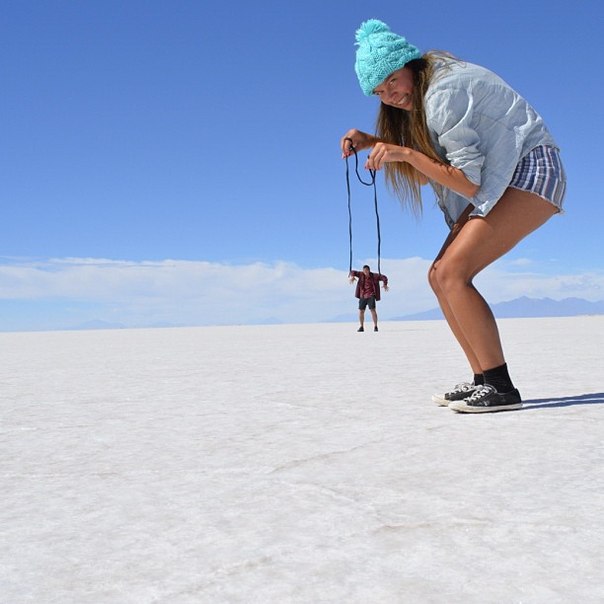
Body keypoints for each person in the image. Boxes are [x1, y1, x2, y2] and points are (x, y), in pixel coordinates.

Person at [340, 19, 566, 413]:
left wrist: (405, 152)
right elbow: (437, 164)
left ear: (408, 64)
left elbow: (467, 184)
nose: (389, 95)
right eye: (379, 92)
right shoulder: (429, 96)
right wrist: (374, 143)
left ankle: (500, 386)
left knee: (451, 273)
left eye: (392, 81)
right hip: (505, 177)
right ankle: (484, 379)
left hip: (531, 171)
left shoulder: (444, 91)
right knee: (438, 275)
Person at [349, 265, 389, 332]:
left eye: (366, 271)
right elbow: (352, 271)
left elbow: (384, 277)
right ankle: (361, 326)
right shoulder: (361, 274)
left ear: (369, 270)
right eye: (364, 271)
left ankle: (375, 326)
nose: (365, 272)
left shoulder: (374, 276)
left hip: (371, 295)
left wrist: (385, 284)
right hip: (363, 295)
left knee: (372, 310)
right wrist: (352, 276)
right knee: (361, 311)